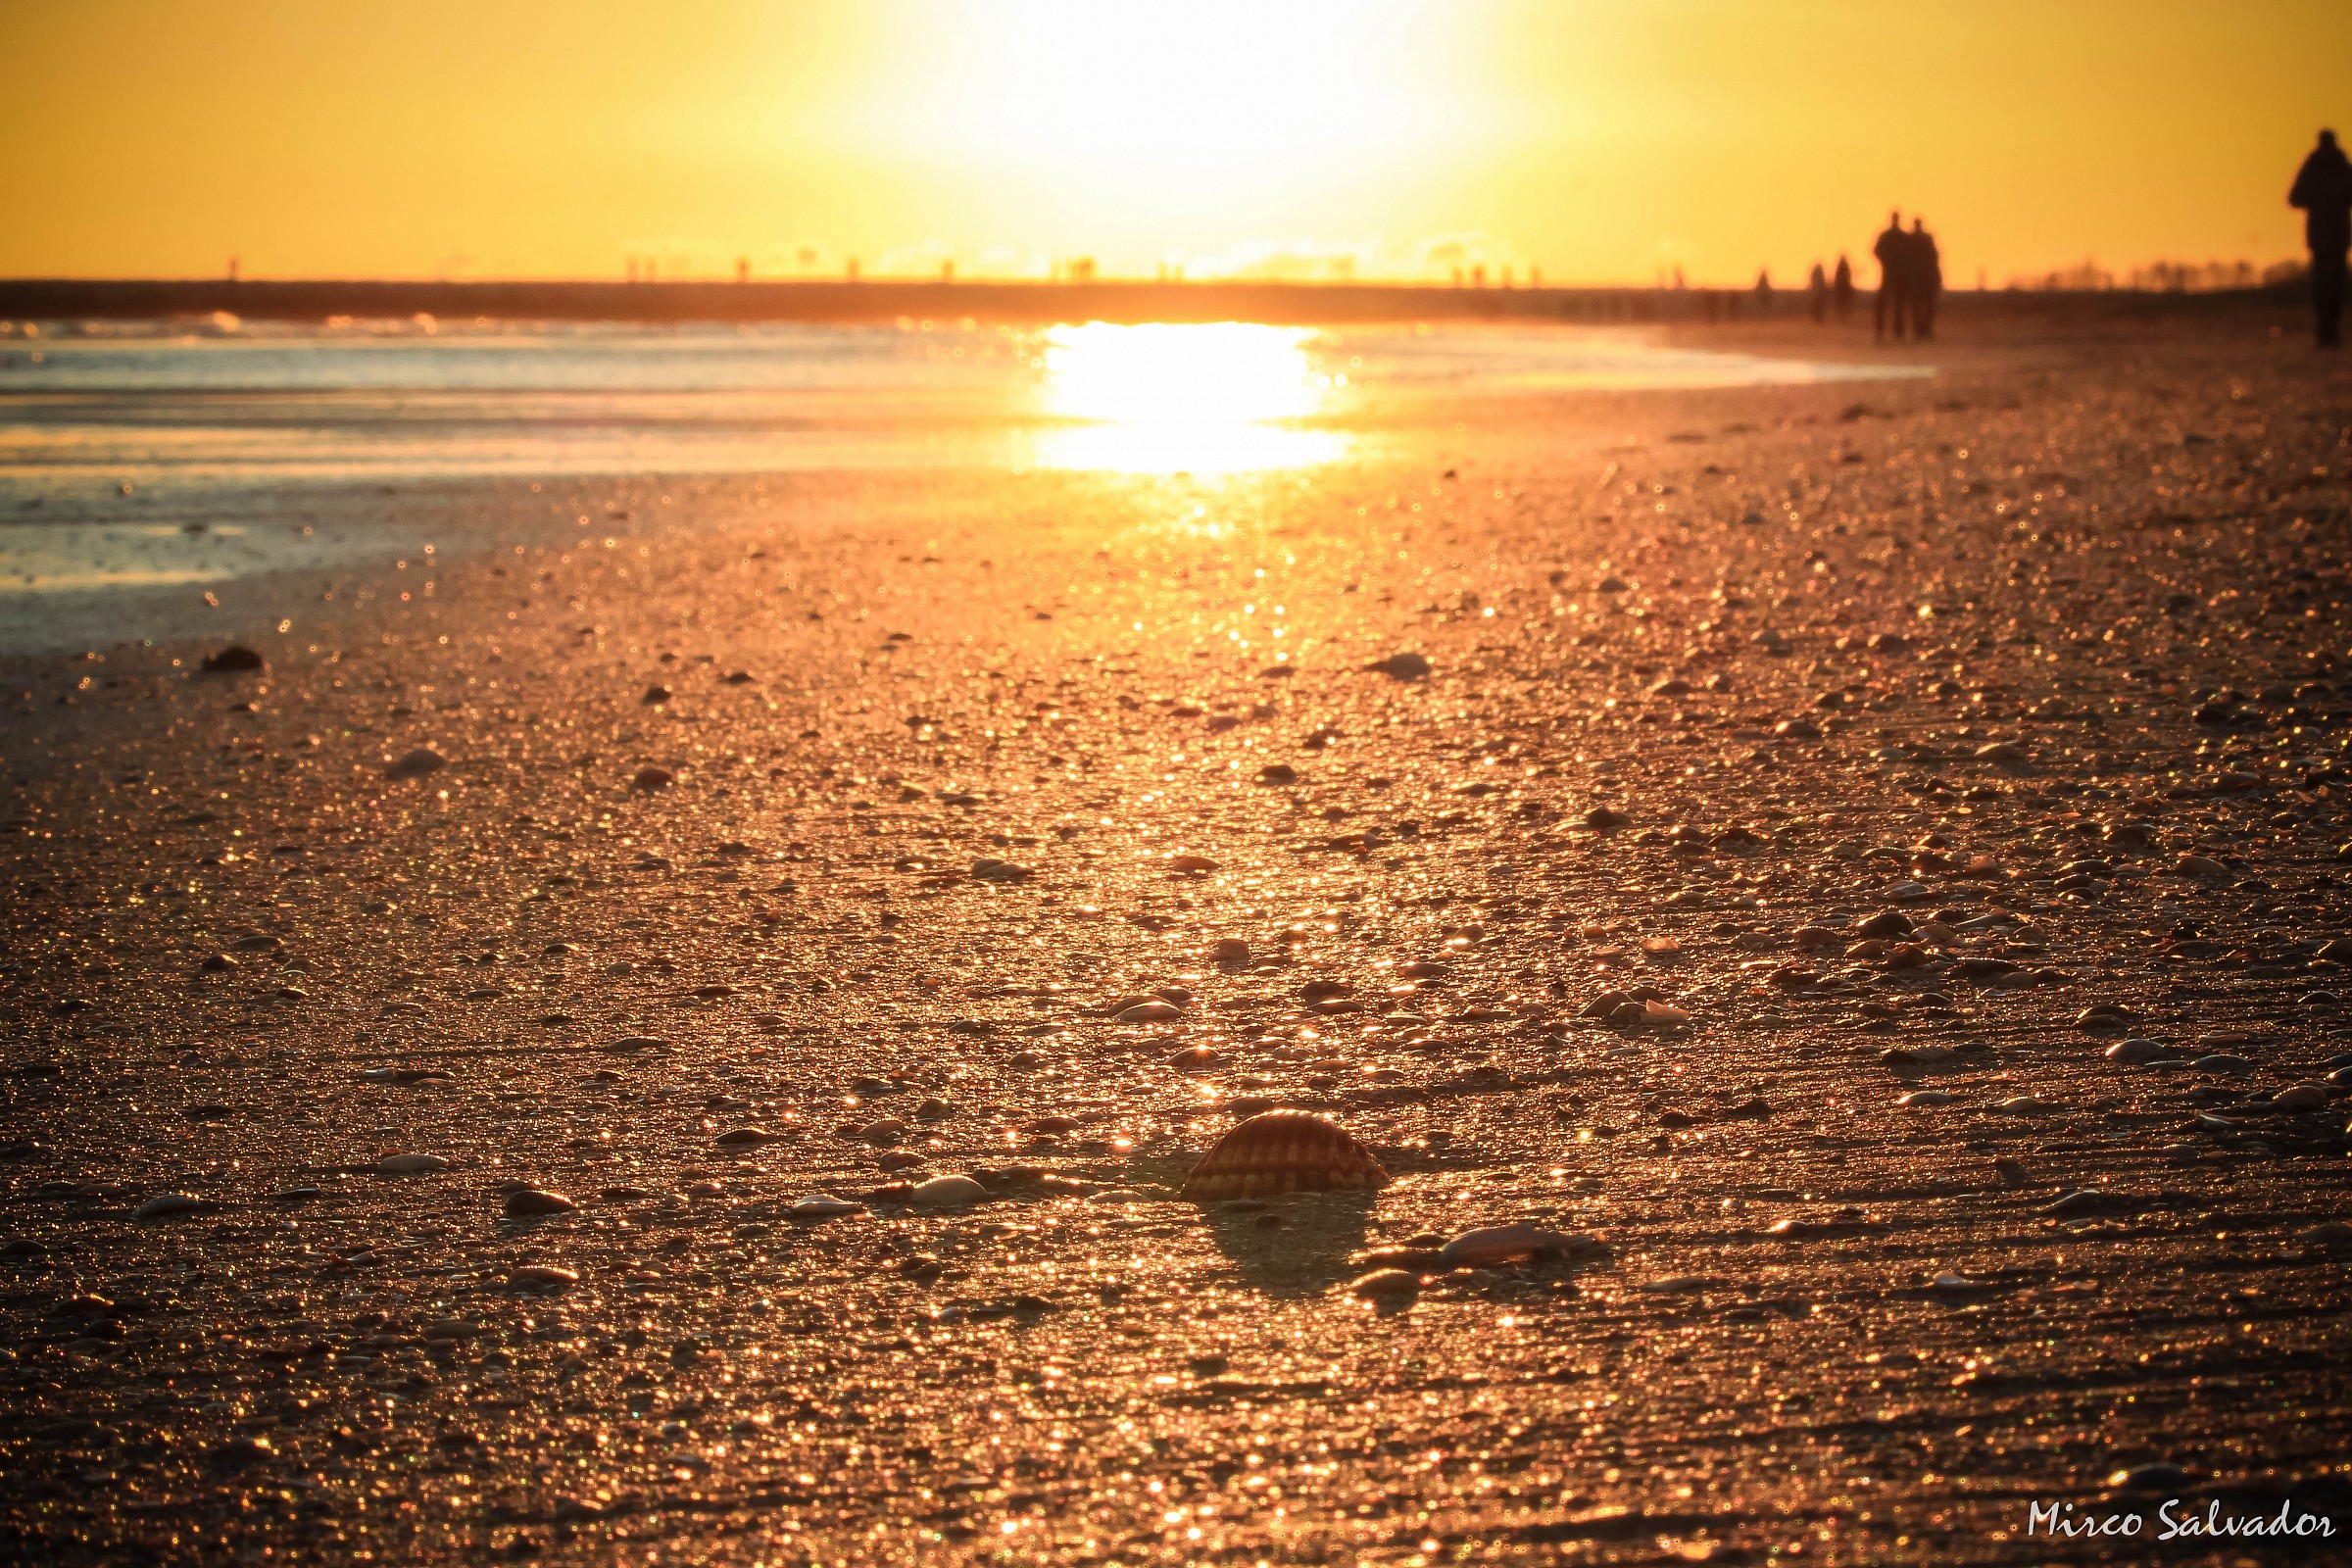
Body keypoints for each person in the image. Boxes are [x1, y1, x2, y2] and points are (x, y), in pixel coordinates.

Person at [2288, 128, 2352, 347]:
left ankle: (2330, 330)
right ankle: (2325, 330)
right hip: (2325, 238)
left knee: (2334, 287)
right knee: (2325, 287)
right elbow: (2294, 198)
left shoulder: (2336, 168)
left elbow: (2294, 198)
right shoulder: (2323, 168)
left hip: (2334, 238)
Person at [1872, 211, 1909, 340]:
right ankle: (1883, 330)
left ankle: (1895, 330)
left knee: (1897, 303)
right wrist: (1885, 261)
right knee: (1888, 303)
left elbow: (1876, 251)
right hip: (1890, 272)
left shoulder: (1901, 236)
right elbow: (1876, 251)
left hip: (1897, 273)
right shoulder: (1889, 236)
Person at [1908, 218, 1942, 341]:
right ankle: (1924, 330)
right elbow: (1935, 257)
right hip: (1923, 279)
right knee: (1925, 306)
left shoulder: (1911, 240)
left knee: (1919, 306)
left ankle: (1921, 330)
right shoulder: (1924, 239)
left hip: (1919, 279)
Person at [1832, 254, 1854, 319]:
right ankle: (1842, 314)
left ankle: (1843, 314)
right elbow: (1847, 275)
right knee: (1842, 301)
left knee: (1843, 301)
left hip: (1843, 286)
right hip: (1842, 286)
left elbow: (1848, 276)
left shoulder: (1841, 267)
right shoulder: (1844, 267)